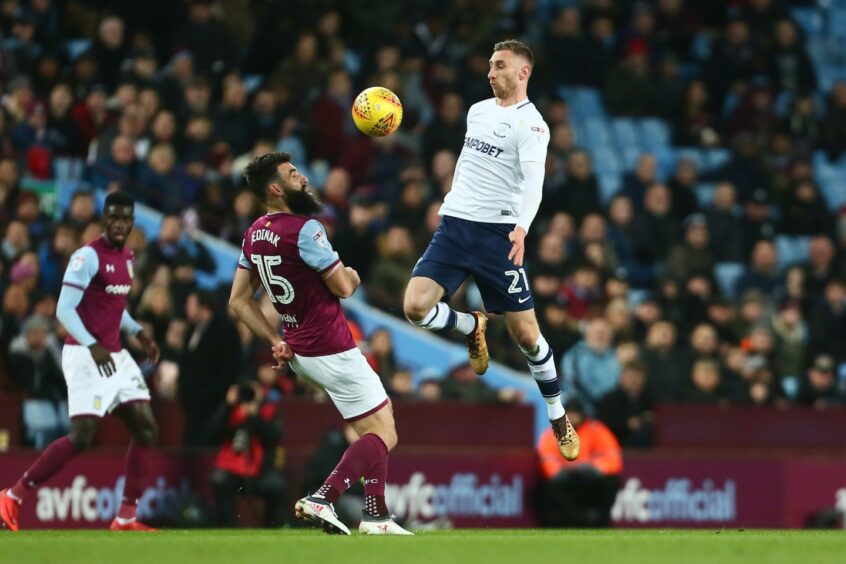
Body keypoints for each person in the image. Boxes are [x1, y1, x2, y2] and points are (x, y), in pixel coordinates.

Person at [401, 39, 579, 461]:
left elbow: (534, 183)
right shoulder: (477, 111)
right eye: (489, 65)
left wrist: (521, 228)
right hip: (454, 227)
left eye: (499, 65)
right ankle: (470, 326)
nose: (490, 72)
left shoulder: (532, 125)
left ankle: (557, 415)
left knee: (527, 337)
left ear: (523, 73)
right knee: (414, 307)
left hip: (498, 237)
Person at [228, 151, 411, 535]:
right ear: (276, 188)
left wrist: (272, 340)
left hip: (300, 350)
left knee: (376, 425)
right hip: (330, 346)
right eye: (294, 175)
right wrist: (354, 276)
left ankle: (376, 516)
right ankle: (323, 498)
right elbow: (343, 287)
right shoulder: (306, 230)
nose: (304, 179)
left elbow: (238, 301)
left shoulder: (254, 233)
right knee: (385, 434)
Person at [0, 192, 161, 532]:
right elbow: (64, 309)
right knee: (82, 436)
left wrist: (139, 332)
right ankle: (12, 495)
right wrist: (92, 344)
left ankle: (125, 518)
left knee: (146, 428)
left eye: (125, 218)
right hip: (85, 354)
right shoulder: (87, 256)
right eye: (113, 217)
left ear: (132, 222)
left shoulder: (128, 257)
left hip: (115, 354)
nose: (119, 224)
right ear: (104, 219)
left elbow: (113, 307)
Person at [536, 399, 622, 527]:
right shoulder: (553, 433)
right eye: (569, 414)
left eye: (575, 413)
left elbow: (612, 457)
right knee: (548, 487)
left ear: (582, 415)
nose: (572, 417)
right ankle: (574, 520)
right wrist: (560, 473)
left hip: (590, 478)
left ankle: (601, 522)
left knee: (611, 482)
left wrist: (594, 469)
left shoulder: (596, 430)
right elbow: (547, 459)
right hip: (565, 479)